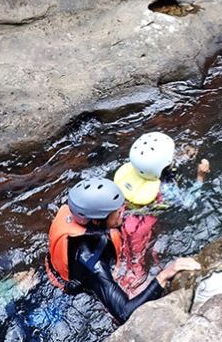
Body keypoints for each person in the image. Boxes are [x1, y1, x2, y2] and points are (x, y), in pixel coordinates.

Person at [45, 177, 201, 324]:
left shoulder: (82, 214)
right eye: (117, 211)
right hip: (70, 291)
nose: (123, 211)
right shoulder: (92, 261)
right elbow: (124, 313)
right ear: (96, 220)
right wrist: (165, 274)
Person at [113, 132, 209, 291]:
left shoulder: (130, 172)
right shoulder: (165, 191)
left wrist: (185, 156)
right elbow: (188, 203)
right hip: (142, 227)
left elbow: (162, 167)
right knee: (135, 266)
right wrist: (200, 177)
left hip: (123, 216)